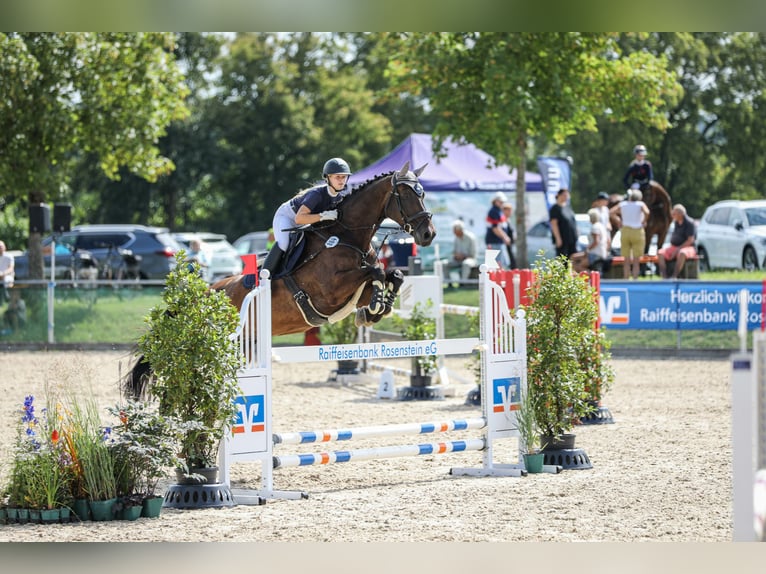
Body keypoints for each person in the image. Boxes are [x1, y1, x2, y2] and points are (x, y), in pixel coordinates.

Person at [264, 157, 352, 276]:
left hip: (306, 221)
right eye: (337, 177)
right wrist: (322, 216)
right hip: (287, 217)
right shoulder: (316, 195)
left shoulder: (340, 198)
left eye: (344, 177)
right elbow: (299, 219)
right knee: (284, 244)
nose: (341, 180)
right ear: (328, 178)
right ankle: (264, 277)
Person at [610, 189, 649, 279]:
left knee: (626, 259)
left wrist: (618, 220)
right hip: (637, 230)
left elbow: (611, 212)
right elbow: (647, 212)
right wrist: (643, 221)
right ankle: (635, 278)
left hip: (625, 230)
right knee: (636, 260)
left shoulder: (623, 204)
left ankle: (626, 278)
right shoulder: (640, 204)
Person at [658, 204, 697, 279]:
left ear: (681, 214)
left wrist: (678, 249)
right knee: (660, 253)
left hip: (688, 247)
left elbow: (690, 240)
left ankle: (674, 276)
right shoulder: (676, 223)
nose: (672, 216)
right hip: (675, 246)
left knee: (682, 253)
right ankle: (665, 277)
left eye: (674, 214)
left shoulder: (689, 223)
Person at [484, 191, 512, 269]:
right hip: (494, 241)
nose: (502, 203)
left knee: (502, 263)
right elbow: (495, 228)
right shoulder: (494, 211)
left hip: (498, 242)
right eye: (501, 201)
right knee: (493, 265)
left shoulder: (498, 211)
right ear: (496, 201)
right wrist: (505, 237)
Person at [549, 188, 578, 259]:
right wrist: (558, 238)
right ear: (559, 195)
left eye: (567, 195)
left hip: (571, 238)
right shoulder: (555, 208)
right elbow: (554, 224)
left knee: (573, 258)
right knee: (563, 259)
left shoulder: (568, 207)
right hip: (563, 238)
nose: (566, 197)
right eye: (564, 195)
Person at [501, 202, 518, 269]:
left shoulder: (507, 220)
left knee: (512, 261)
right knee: (508, 261)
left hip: (510, 244)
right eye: (509, 210)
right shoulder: (502, 220)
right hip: (506, 245)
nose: (510, 212)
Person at [0, 240, 14, 306]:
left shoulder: (9, 256)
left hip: (7, 277)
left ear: (4, 247)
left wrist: (3, 274)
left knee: (5, 280)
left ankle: (6, 298)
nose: (0, 248)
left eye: (1, 247)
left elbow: (11, 268)